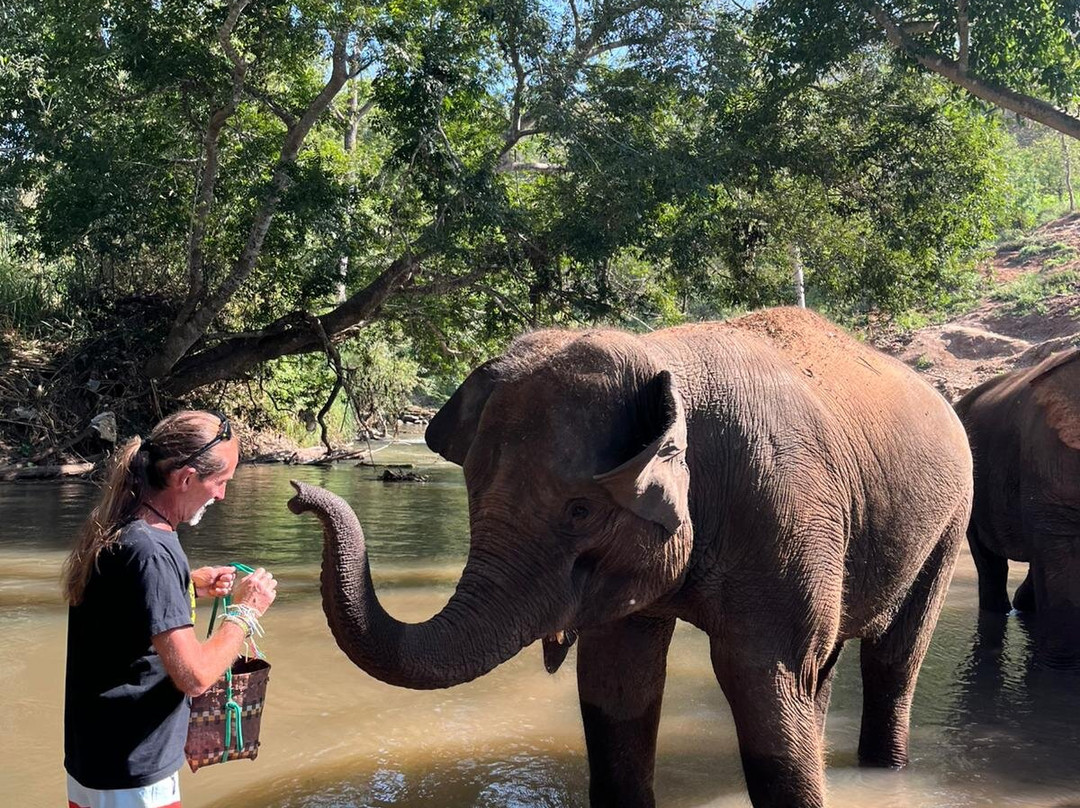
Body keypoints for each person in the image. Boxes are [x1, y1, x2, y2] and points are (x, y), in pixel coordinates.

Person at [61, 410, 277, 808]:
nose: (222, 496)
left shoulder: (124, 526)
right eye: (220, 482)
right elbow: (194, 676)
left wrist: (188, 584)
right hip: (133, 777)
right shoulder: (154, 552)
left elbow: (125, 603)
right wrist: (245, 613)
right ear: (185, 479)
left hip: (94, 760)